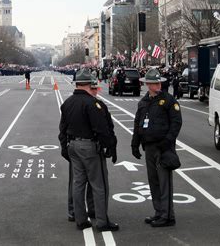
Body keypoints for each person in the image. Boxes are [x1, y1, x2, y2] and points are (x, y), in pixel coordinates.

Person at [59, 69, 119, 232]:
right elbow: (101, 129)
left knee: (78, 184)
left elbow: (62, 129)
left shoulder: (68, 103)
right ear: (89, 84)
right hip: (89, 147)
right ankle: (102, 221)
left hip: (73, 146)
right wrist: (110, 147)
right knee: (99, 184)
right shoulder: (93, 104)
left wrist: (64, 147)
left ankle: (80, 219)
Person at [131, 68, 182, 227]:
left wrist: (167, 141)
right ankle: (159, 212)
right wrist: (135, 143)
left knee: (164, 182)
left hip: (163, 147)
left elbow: (176, 123)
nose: (158, 85)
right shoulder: (143, 102)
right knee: (153, 182)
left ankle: (167, 216)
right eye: (154, 83)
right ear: (147, 84)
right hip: (149, 147)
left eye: (159, 82)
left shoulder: (168, 100)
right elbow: (138, 123)